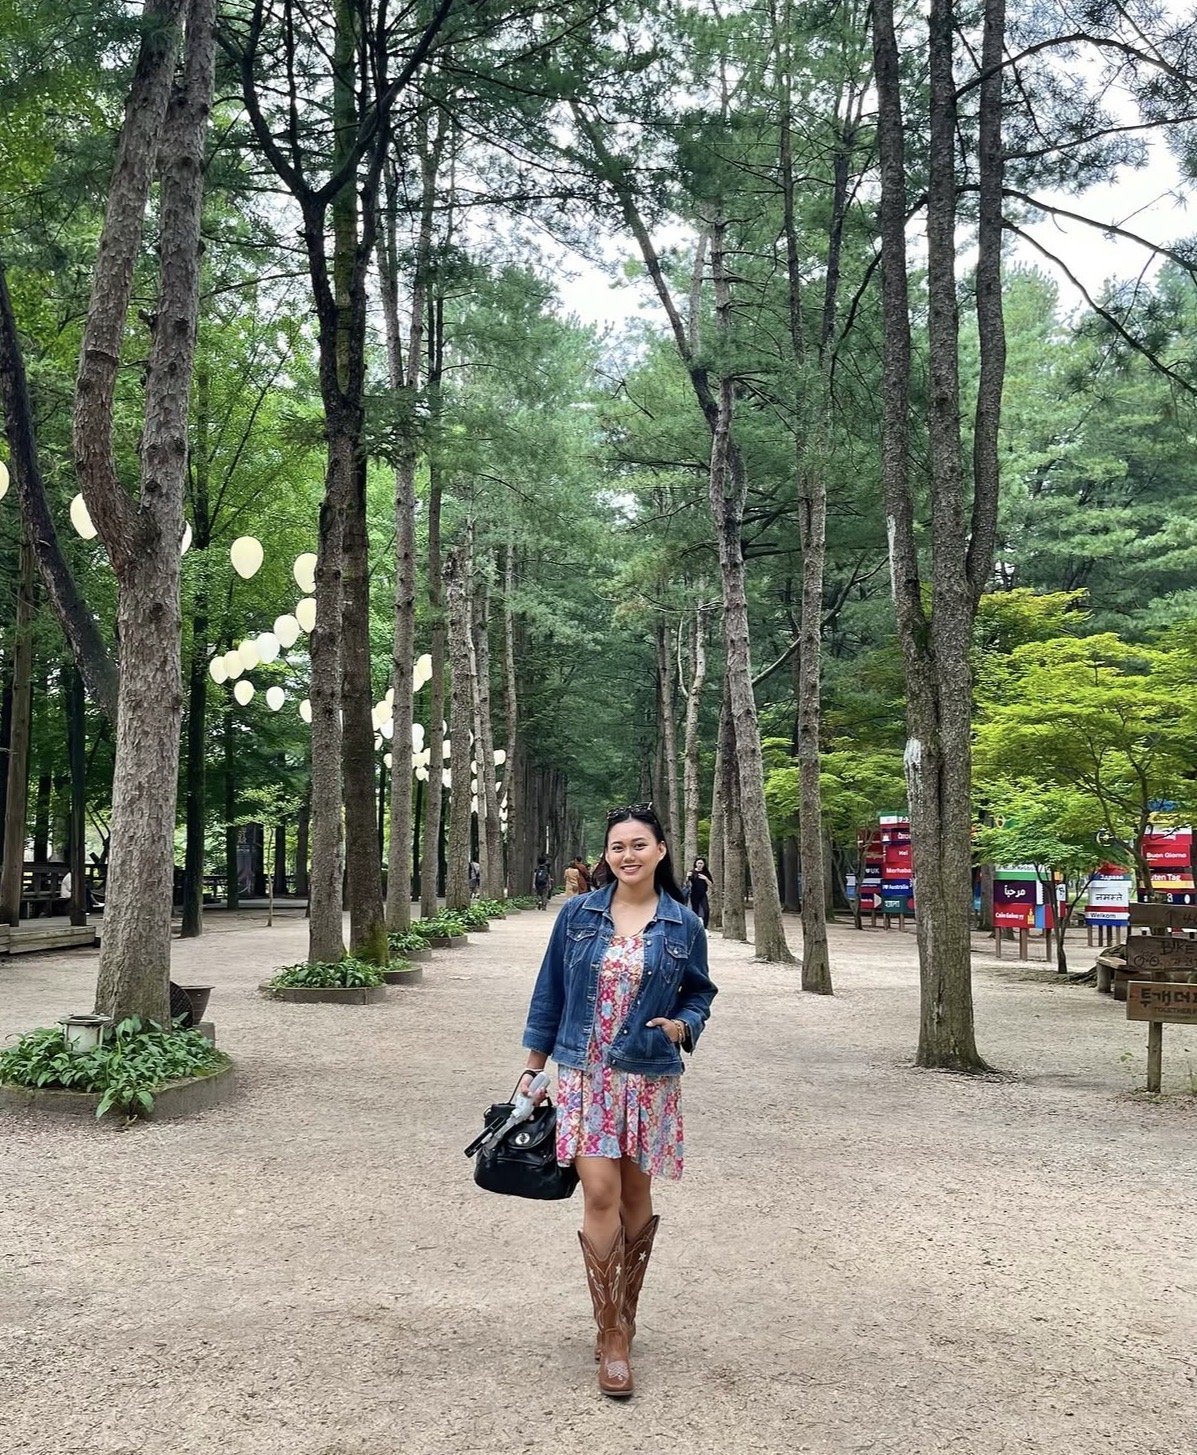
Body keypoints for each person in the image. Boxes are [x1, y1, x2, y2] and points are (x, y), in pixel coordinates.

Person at [518, 804, 717, 1398]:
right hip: (585, 1073)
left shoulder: (684, 926)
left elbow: (700, 994)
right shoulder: (578, 916)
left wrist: (683, 1026)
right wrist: (532, 1069)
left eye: (638, 845)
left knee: (635, 1192)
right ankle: (611, 1335)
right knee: (600, 1190)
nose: (626, 855)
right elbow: (549, 988)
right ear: (606, 856)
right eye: (616, 847)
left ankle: (626, 1314)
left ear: (660, 851)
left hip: (647, 1075)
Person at [686, 857, 714, 928]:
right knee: (695, 911)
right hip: (694, 894)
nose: (700, 865)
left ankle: (705, 928)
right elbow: (686, 883)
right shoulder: (692, 872)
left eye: (701, 863)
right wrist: (687, 876)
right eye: (698, 863)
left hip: (703, 894)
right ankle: (696, 927)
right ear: (695, 864)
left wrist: (706, 879)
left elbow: (711, 885)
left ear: (704, 864)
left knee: (706, 910)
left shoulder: (706, 872)